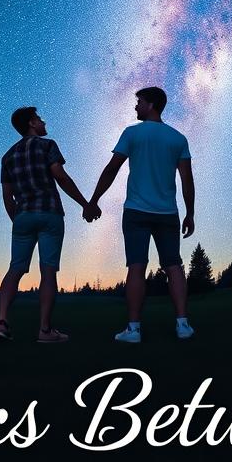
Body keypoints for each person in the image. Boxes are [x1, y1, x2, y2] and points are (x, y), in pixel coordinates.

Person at [88, 86, 195, 343]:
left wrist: (94, 200)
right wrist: (190, 213)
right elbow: (187, 181)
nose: (135, 106)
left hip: (136, 211)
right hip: (168, 213)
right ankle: (183, 325)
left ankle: (133, 330)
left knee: (136, 267)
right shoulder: (178, 138)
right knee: (174, 267)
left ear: (152, 105)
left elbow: (112, 169)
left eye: (139, 102)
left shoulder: (132, 133)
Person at [0, 106, 100, 343]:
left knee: (15, 268)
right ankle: (45, 330)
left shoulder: (8, 156)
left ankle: (1, 323)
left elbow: (7, 196)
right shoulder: (47, 145)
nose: (43, 122)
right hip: (49, 214)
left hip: (22, 217)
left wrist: (17, 220)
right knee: (48, 270)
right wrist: (85, 204)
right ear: (31, 123)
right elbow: (60, 176)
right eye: (40, 119)